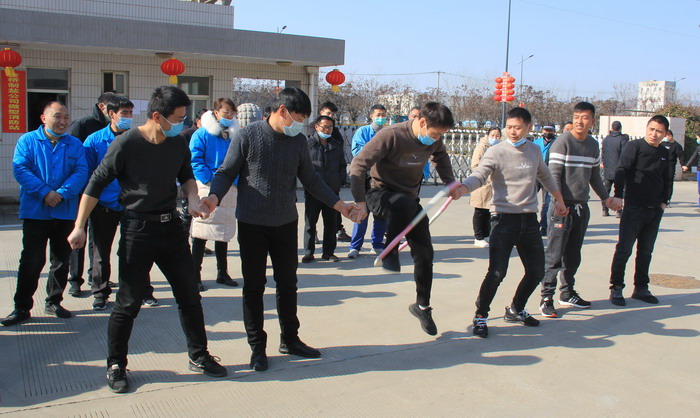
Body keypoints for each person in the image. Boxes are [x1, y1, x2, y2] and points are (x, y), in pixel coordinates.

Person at [67, 86, 227, 393]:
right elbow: (95, 184)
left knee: (190, 297)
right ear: (157, 116)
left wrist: (194, 199)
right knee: (127, 303)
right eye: (177, 119)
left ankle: (199, 355)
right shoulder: (127, 143)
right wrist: (79, 226)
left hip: (172, 229)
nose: (182, 124)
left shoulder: (176, 142)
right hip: (137, 230)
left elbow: (187, 176)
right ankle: (116, 364)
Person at [201, 87, 359, 373]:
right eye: (299, 117)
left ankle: (290, 339)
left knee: (288, 284)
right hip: (252, 224)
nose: (301, 124)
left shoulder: (297, 141)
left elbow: (311, 180)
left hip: (285, 223)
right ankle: (257, 348)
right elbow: (226, 172)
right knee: (254, 287)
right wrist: (213, 198)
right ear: (282, 111)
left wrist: (340, 206)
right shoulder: (248, 136)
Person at [350, 102, 464, 336]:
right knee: (401, 204)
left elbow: (441, 157)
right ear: (422, 122)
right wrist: (360, 201)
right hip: (380, 194)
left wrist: (450, 182)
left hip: (410, 201)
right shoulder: (391, 135)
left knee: (425, 254)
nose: (436, 139)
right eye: (435, 134)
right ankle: (389, 251)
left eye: (441, 135)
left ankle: (422, 306)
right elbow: (358, 165)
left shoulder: (434, 139)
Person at [458, 107, 568, 338]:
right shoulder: (496, 151)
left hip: (529, 220)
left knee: (536, 271)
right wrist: (464, 187)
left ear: (528, 127)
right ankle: (481, 315)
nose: (513, 132)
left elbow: (545, 176)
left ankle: (516, 308)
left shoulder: (534, 150)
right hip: (503, 219)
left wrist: (558, 200)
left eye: (518, 127)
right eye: (509, 127)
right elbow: (480, 175)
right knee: (497, 272)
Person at [1, 102, 88, 327]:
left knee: (61, 260)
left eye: (66, 117)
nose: (63, 121)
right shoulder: (28, 141)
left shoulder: (75, 144)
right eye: (57, 116)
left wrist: (61, 193)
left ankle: (54, 301)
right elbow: (21, 169)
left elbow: (81, 171)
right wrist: (44, 192)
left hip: (65, 211)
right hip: (36, 211)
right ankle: (22, 306)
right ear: (43, 118)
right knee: (31, 260)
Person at [539, 102, 622, 318]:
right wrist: (558, 202)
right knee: (554, 255)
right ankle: (546, 297)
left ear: (592, 121)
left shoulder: (593, 145)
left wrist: (606, 198)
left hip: (581, 207)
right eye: (576, 117)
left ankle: (567, 293)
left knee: (573, 255)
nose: (579, 121)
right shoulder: (562, 142)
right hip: (561, 206)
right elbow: (553, 175)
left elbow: (594, 176)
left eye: (585, 117)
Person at [608, 115, 672, 306]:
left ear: (665, 134)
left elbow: (667, 178)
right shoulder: (634, 146)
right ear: (646, 129)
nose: (654, 134)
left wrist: (664, 201)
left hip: (654, 210)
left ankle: (641, 288)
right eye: (651, 129)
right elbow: (622, 170)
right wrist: (618, 195)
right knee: (624, 250)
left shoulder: (664, 152)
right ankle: (616, 287)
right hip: (634, 208)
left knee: (645, 251)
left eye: (659, 131)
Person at [82, 95, 137, 310]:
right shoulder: (94, 140)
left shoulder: (136, 138)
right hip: (103, 204)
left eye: (131, 113)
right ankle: (100, 292)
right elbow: (88, 174)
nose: (128, 117)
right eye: (124, 113)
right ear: (111, 114)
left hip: (131, 204)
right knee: (100, 252)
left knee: (133, 250)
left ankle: (136, 290)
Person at [66, 92, 118, 297]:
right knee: (80, 233)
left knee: (97, 242)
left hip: (106, 195)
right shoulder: (84, 125)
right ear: (102, 107)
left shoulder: (118, 129)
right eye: (111, 108)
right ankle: (74, 279)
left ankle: (94, 276)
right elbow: (74, 156)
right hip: (85, 190)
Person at [190, 99, 239, 291]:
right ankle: (195, 275)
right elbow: (195, 159)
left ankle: (222, 272)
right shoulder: (202, 133)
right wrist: (209, 179)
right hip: (207, 184)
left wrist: (234, 180)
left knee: (223, 232)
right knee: (201, 232)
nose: (229, 116)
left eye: (232, 113)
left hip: (229, 186)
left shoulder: (233, 135)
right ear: (216, 112)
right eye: (226, 112)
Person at [302, 115, 347, 263]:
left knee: (331, 224)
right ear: (316, 127)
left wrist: (340, 181)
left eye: (330, 127)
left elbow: (342, 165)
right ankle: (309, 252)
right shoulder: (308, 145)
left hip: (332, 192)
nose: (327, 130)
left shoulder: (336, 145)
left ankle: (329, 252)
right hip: (313, 192)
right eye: (325, 127)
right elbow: (302, 167)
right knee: (310, 224)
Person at [348, 104, 388, 259]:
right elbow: (357, 152)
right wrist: (377, 153)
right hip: (364, 178)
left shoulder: (388, 133)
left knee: (380, 214)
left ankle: (377, 244)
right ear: (371, 116)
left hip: (382, 179)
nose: (381, 118)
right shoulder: (362, 132)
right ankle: (355, 246)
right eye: (378, 115)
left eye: (383, 115)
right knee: (361, 212)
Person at [315, 101, 352, 243]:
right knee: (312, 215)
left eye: (333, 115)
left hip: (332, 181)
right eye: (328, 113)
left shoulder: (335, 131)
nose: (331, 116)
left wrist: (340, 179)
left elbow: (340, 157)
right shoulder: (312, 131)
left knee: (334, 210)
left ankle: (338, 231)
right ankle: (313, 235)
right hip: (316, 181)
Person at [470, 127, 501, 248]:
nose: (495, 138)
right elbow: (475, 165)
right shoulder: (482, 147)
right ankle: (478, 237)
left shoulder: (499, 148)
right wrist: (485, 177)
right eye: (492, 135)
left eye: (497, 136)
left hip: (493, 184)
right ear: (488, 135)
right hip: (482, 183)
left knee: (488, 211)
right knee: (479, 211)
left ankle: (486, 234)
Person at [600, 121, 628, 217]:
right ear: (620, 128)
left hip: (607, 169)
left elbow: (603, 153)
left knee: (606, 191)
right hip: (619, 170)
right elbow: (625, 155)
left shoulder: (606, 139)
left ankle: (604, 209)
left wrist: (603, 163)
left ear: (612, 128)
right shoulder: (622, 140)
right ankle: (618, 210)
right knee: (619, 191)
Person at [533, 125, 557, 235]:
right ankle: (531, 224)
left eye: (550, 130)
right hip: (535, 173)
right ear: (543, 131)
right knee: (529, 198)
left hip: (548, 175)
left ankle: (544, 225)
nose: (548, 132)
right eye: (546, 130)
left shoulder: (557, 143)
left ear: (554, 131)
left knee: (547, 202)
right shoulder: (536, 143)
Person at [660, 129, 685, 206]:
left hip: (670, 166)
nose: (665, 137)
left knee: (669, 183)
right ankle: (660, 198)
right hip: (661, 165)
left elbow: (681, 156)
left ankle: (667, 199)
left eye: (666, 136)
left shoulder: (676, 146)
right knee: (660, 182)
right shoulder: (662, 144)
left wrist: (683, 165)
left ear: (670, 136)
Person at [682, 135, 700, 211]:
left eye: (698, 138)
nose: (697, 140)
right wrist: (687, 165)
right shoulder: (698, 148)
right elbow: (693, 157)